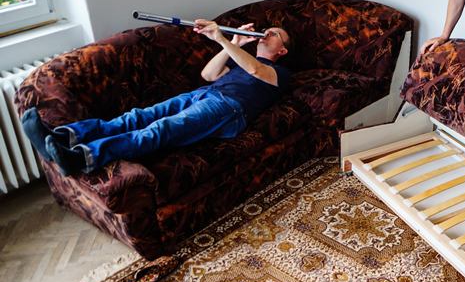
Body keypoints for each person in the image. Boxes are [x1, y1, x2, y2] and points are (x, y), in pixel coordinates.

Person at [21, 19, 293, 176]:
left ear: (282, 51)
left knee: (160, 129)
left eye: (275, 34)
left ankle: (81, 158)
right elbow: (209, 74)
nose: (267, 33)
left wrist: (220, 39)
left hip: (229, 108)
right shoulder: (238, 59)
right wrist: (232, 44)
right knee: (137, 117)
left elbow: (255, 70)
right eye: (266, 30)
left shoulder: (279, 72)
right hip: (204, 94)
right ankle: (63, 137)